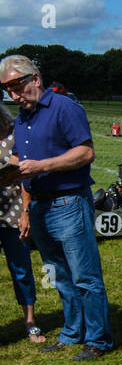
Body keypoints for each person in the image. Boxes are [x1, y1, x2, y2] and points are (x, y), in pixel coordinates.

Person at [1, 53, 113, 359]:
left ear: (35, 79)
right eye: (7, 89)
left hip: (68, 202)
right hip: (38, 205)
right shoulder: (23, 117)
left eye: (17, 85)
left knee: (84, 276)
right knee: (59, 274)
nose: (13, 94)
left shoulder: (65, 108)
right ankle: (72, 332)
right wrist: (10, 174)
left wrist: (42, 166)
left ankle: (98, 340)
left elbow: (86, 153)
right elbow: (23, 163)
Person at [0, 105, 44, 343]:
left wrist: (25, 212)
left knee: (21, 269)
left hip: (14, 212)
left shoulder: (14, 136)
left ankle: (30, 321)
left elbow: (28, 173)